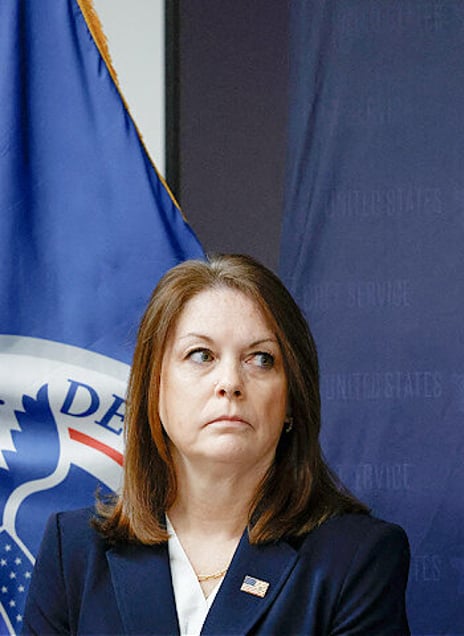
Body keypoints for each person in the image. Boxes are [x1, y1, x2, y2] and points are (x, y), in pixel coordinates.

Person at [23, 254, 410, 635]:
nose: (230, 382)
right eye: (201, 355)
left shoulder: (356, 558)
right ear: (155, 388)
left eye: (261, 359)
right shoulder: (73, 550)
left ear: (292, 398)